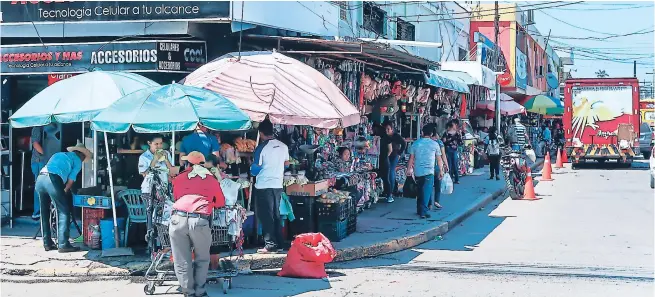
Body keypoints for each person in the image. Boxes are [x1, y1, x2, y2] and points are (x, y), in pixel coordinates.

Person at [170, 151, 226, 297]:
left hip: (177, 219)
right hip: (199, 220)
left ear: (187, 164)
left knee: (182, 260)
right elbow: (220, 202)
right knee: (202, 258)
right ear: (203, 164)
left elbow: (176, 197)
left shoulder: (179, 178)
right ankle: (200, 291)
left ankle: (188, 292)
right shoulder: (211, 179)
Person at [36, 143, 91, 253]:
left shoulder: (58, 154)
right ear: (82, 155)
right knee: (64, 211)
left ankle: (47, 243)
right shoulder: (78, 161)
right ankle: (63, 244)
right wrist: (63, 192)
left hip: (40, 179)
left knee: (44, 212)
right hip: (52, 180)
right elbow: (70, 181)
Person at [251, 119, 289, 254]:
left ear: (261, 133)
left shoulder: (261, 148)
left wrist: (251, 167)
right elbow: (287, 164)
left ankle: (270, 244)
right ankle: (280, 243)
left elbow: (255, 169)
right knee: (276, 214)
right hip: (278, 185)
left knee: (266, 216)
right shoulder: (283, 146)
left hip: (263, 186)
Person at [407, 126, 443, 219]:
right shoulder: (435, 144)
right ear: (431, 134)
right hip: (429, 171)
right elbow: (439, 159)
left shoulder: (415, 143)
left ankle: (419, 209)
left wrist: (408, 169)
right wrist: (441, 171)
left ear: (422, 132)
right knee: (426, 191)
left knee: (420, 190)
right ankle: (423, 211)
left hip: (418, 171)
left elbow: (411, 158)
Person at [30, 123, 60, 220]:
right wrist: (46, 155)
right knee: (39, 187)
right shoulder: (37, 127)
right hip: (39, 161)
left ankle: (44, 211)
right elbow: (35, 143)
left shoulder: (52, 127)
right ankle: (37, 212)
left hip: (44, 161)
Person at [379, 122, 406, 203]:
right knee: (386, 172)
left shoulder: (396, 136)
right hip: (385, 156)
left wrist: (399, 153)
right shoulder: (383, 136)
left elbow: (404, 143)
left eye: (388, 129)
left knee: (391, 172)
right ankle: (386, 191)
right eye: (385, 129)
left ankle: (391, 192)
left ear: (392, 129)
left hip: (394, 156)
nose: (387, 131)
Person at [431, 127, 448, 209]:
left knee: (429, 186)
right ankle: (436, 201)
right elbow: (443, 155)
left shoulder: (426, 142)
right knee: (438, 185)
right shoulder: (439, 142)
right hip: (438, 166)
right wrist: (446, 165)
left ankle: (429, 203)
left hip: (429, 166)